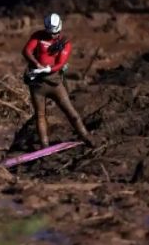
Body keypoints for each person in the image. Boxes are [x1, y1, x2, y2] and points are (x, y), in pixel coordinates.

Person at [21, 13, 95, 149]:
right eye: (50, 33)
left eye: (55, 33)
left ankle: (86, 137)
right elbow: (26, 51)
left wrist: (48, 69)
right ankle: (44, 146)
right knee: (40, 115)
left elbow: (61, 63)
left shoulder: (64, 44)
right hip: (38, 84)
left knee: (71, 112)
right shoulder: (38, 36)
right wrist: (36, 64)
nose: (53, 36)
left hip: (55, 83)